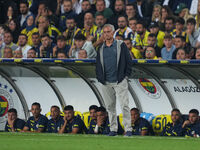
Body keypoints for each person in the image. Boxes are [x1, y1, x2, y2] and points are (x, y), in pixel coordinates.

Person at [96, 24, 132, 136]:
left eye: (108, 32)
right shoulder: (101, 48)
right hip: (105, 82)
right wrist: (100, 78)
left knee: (124, 105)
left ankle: (128, 129)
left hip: (119, 80)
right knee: (110, 107)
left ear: (113, 33)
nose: (106, 34)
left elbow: (128, 60)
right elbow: (97, 65)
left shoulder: (121, 45)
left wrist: (125, 76)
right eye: (104, 32)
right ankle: (113, 129)